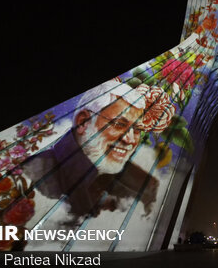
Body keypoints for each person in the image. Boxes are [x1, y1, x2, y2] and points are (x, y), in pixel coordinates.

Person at [25, 79, 174, 222]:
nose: (129, 139)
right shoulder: (32, 175)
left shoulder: (143, 185)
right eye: (119, 124)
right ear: (83, 122)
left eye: (136, 129)